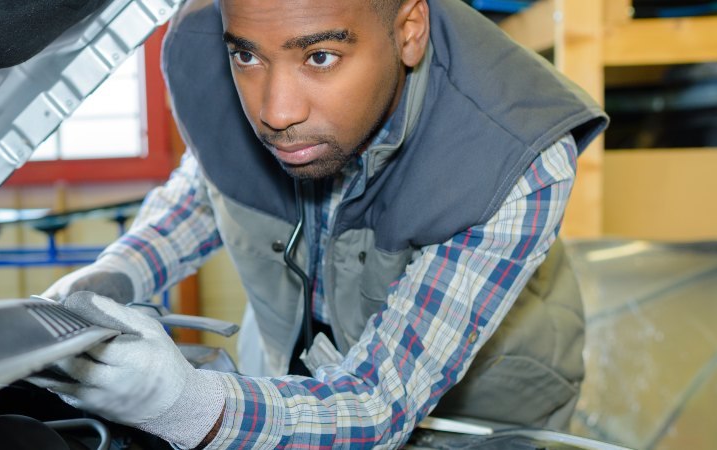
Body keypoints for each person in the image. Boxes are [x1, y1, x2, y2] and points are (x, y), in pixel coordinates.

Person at [33, 0, 608, 447]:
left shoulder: (514, 153)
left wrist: (185, 405)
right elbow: (209, 187)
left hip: (470, 418)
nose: (277, 112)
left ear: (408, 30)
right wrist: (119, 273)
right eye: (248, 56)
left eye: (320, 57)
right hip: (291, 364)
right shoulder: (204, 54)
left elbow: (380, 403)